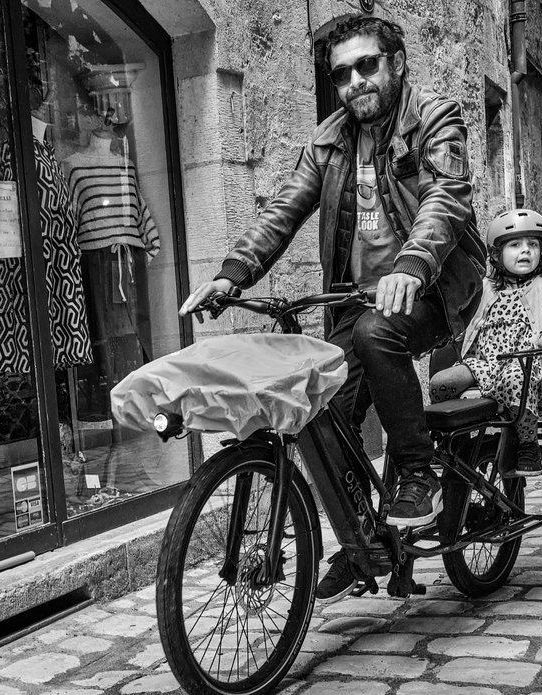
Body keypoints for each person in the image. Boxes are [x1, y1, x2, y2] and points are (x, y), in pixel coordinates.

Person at [179, 15, 484, 598]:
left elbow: (445, 200)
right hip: (353, 297)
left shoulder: (434, 119)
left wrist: (411, 267)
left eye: (367, 66)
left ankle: (419, 471)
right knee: (320, 408)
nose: (355, 82)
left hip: (433, 287)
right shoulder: (328, 140)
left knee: (376, 334)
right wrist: (231, 274)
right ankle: (362, 541)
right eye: (341, 74)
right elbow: (283, 211)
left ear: (395, 62)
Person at [428, 209, 542, 477]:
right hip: (481, 362)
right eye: (515, 245)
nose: (525, 251)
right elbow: (462, 312)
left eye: (533, 245)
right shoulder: (486, 287)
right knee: (440, 383)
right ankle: (451, 440)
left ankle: (527, 444)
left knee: (514, 380)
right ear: (496, 254)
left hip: (524, 360)